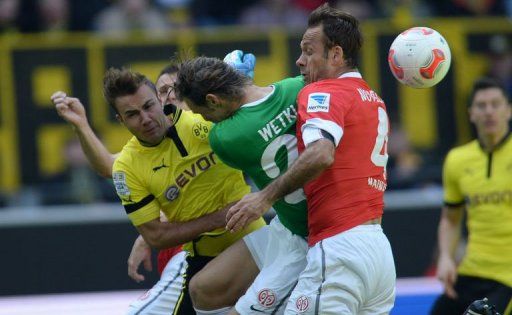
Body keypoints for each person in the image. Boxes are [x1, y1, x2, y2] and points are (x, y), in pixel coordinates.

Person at [224, 4, 396, 313]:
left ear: (335, 55)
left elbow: (320, 153)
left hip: (340, 247)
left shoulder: (324, 92)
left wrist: (265, 196)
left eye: (308, 51)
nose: (299, 60)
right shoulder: (371, 97)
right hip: (378, 252)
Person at [174, 55, 309, 314]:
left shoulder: (225, 138)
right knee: (203, 288)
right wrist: (241, 80)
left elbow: (248, 121)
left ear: (213, 100)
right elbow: (260, 105)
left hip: (308, 236)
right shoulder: (297, 88)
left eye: (203, 113)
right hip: (288, 224)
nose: (207, 121)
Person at [431, 77, 512, 315]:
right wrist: (445, 257)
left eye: (495, 104)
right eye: (481, 105)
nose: (488, 111)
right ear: (471, 114)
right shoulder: (457, 160)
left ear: (508, 111)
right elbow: (451, 218)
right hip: (472, 270)